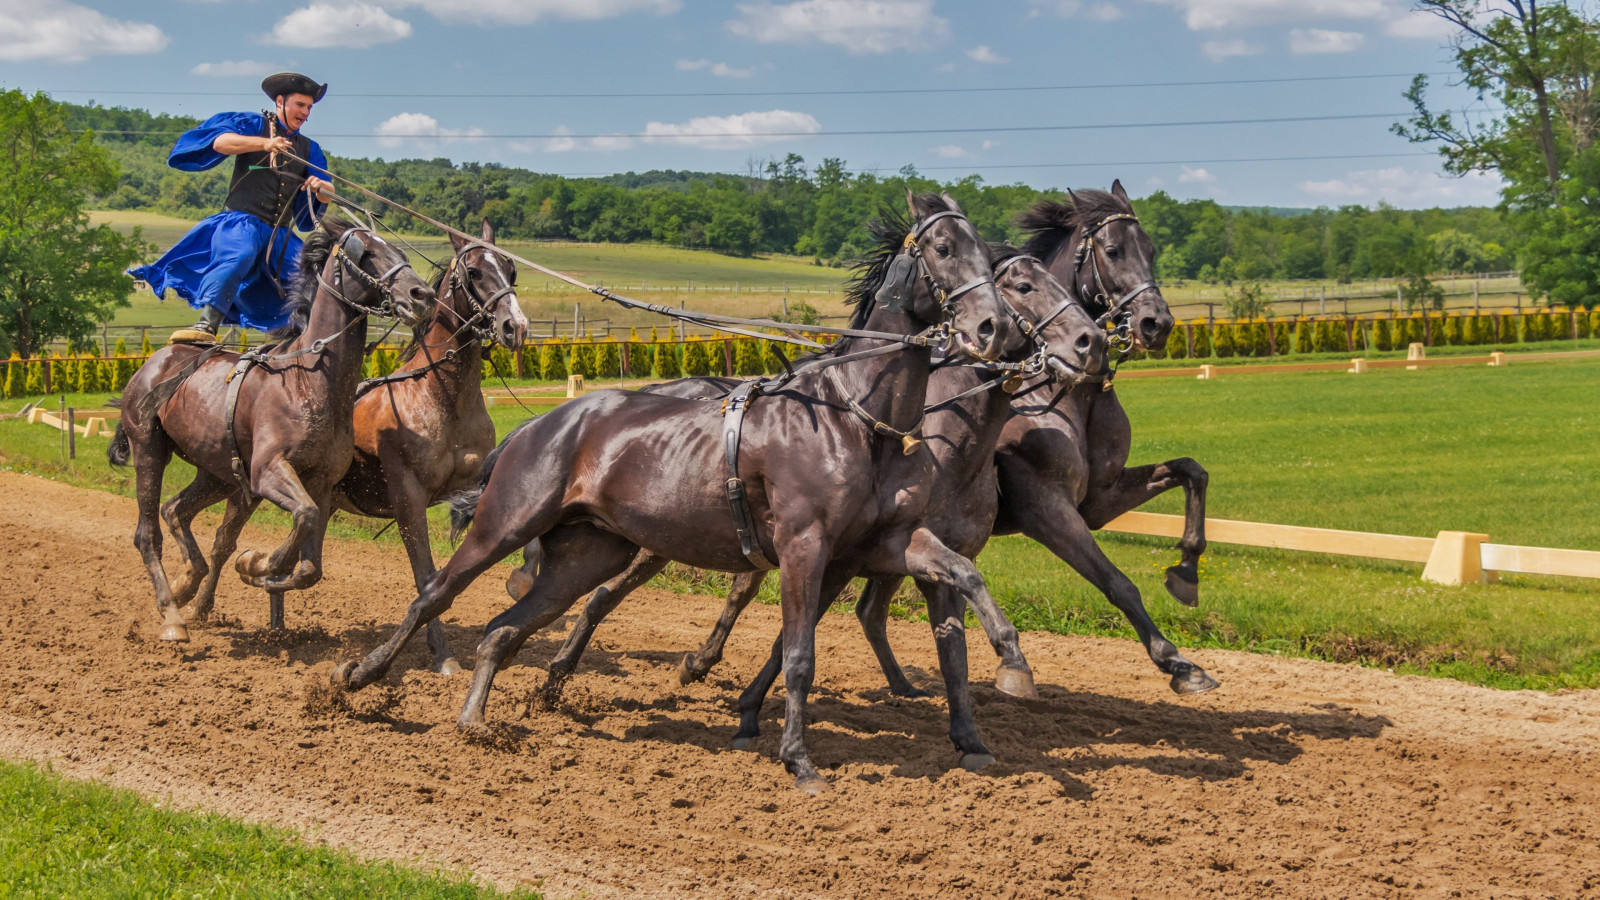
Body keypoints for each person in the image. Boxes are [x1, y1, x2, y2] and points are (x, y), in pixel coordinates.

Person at [130, 73, 336, 343]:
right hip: (242, 223)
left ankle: (306, 338)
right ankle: (206, 324)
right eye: (300, 105)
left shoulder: (310, 149)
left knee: (313, 277)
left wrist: (321, 188)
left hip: (280, 234)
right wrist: (265, 143)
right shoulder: (252, 124)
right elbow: (220, 142)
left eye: (309, 108)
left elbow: (328, 191)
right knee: (240, 254)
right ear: (280, 101)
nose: (306, 113)